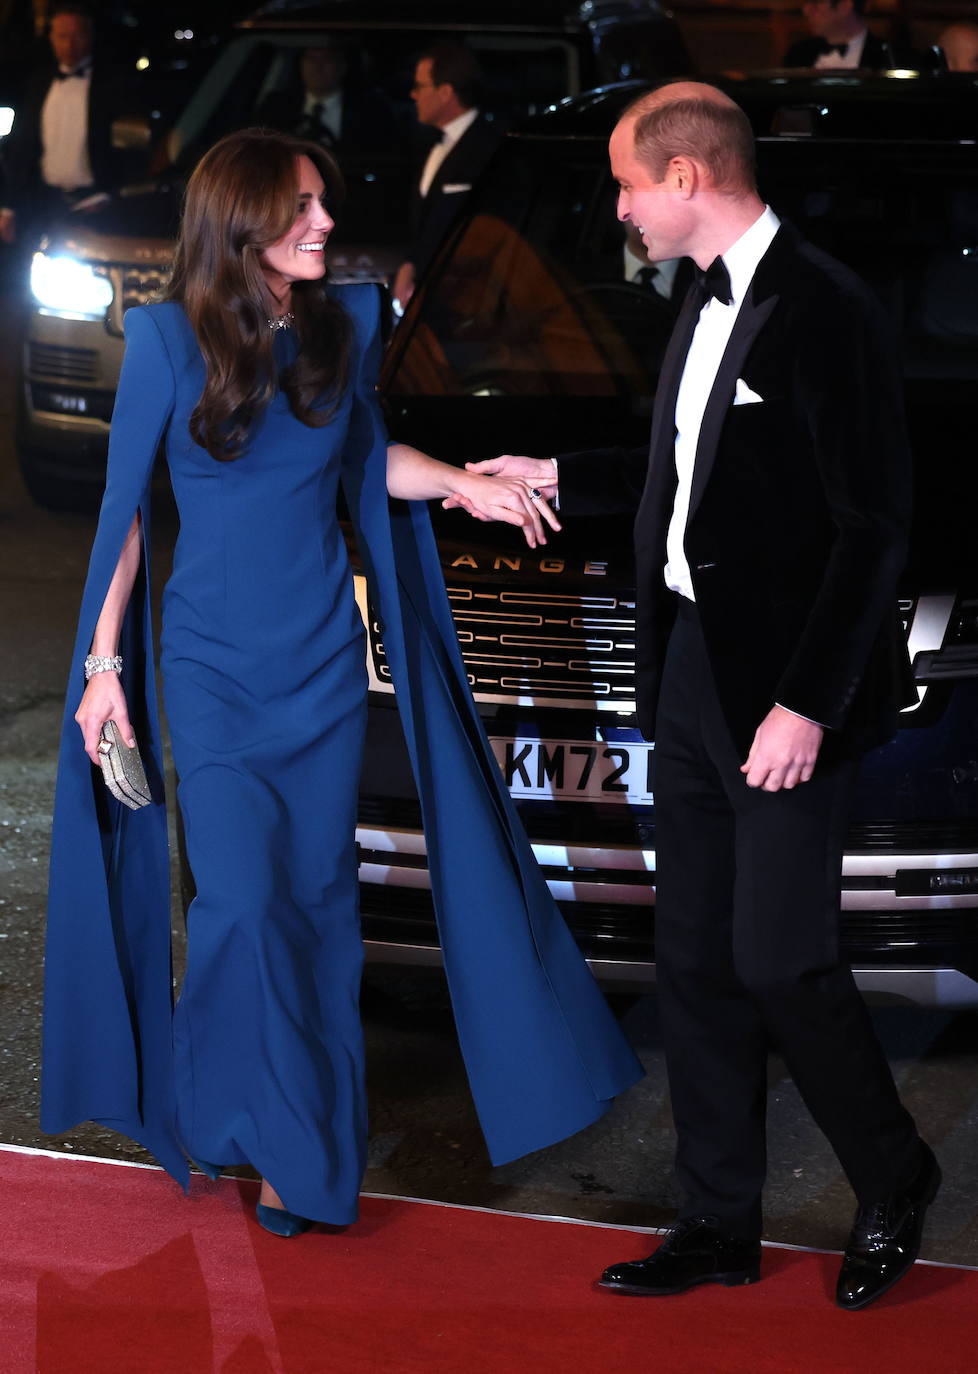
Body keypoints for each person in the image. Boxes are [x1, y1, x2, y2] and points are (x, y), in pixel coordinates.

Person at [42, 128, 643, 1237]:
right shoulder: (167, 343)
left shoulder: (344, 328)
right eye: (302, 208)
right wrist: (101, 668)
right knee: (237, 905)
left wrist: (464, 484)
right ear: (242, 224)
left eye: (325, 201)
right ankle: (243, 1115)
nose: (326, 223)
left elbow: (367, 461)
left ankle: (297, 1155)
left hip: (319, 668)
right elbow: (125, 519)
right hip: (213, 673)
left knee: (316, 914)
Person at [464, 82, 938, 1311]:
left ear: (685, 180)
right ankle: (717, 1220)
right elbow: (688, 474)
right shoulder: (696, 302)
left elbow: (872, 531)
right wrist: (557, 471)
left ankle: (895, 1175)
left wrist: (806, 705)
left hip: (780, 697)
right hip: (686, 678)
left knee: (782, 963)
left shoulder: (828, 312)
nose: (617, 209)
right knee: (695, 967)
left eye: (627, 185)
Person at [0, 2, 138, 246]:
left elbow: (128, 144)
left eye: (77, 36)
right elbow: (23, 147)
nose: (70, 45)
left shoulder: (111, 86)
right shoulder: (39, 83)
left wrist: (109, 193)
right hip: (41, 201)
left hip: (94, 205)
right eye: (62, 36)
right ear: (51, 38)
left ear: (90, 36)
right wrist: (8, 207)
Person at [391, 42, 502, 313]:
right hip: (429, 298)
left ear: (445, 93)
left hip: (470, 301)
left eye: (420, 86)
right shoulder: (429, 144)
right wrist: (410, 263)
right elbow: (425, 222)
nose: (413, 95)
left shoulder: (491, 148)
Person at [255, 40, 398, 161]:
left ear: (342, 66)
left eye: (327, 58)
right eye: (311, 58)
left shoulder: (371, 111)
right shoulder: (276, 105)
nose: (318, 66)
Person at [782, 0, 892, 68]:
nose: (805, 10)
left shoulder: (889, 57)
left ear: (845, 6)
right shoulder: (798, 54)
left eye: (817, 2)